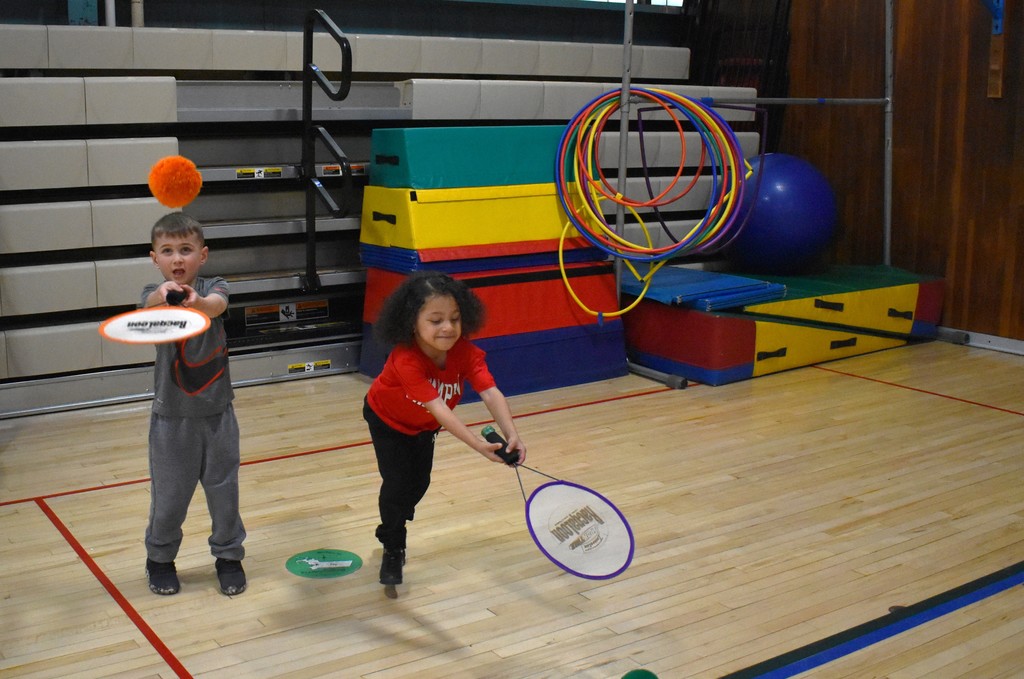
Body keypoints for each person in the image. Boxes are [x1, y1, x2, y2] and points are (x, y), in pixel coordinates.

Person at [364, 270, 527, 586]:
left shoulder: (465, 352)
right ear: (413, 322)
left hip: (424, 427)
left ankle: (393, 520)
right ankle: (393, 544)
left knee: (419, 483)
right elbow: (440, 409)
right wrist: (479, 446)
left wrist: (512, 433)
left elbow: (490, 392)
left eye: (454, 318)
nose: (448, 327)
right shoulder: (405, 359)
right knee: (397, 484)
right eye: (436, 320)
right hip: (387, 421)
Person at [140, 212, 247, 596]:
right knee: (169, 497)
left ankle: (229, 556)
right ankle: (160, 559)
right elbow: (147, 308)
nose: (177, 259)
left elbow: (216, 305)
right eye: (167, 251)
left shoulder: (214, 286)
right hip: (172, 421)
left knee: (224, 494)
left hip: (218, 416)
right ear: (155, 258)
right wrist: (164, 296)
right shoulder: (153, 296)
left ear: (202, 255)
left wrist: (197, 301)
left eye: (186, 250)